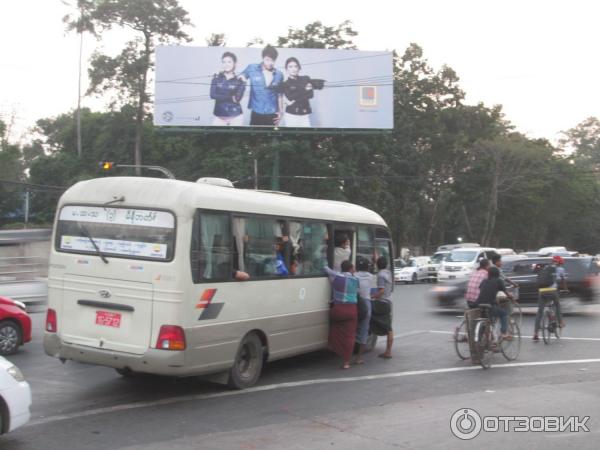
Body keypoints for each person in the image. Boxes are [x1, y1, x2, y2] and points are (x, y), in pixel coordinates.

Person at [325, 261, 359, 369]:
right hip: (351, 310)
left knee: (335, 329)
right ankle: (346, 362)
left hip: (337, 310)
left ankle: (334, 348)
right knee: (349, 336)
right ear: (351, 268)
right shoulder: (356, 280)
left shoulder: (335, 277)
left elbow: (326, 269)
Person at [239, 45, 284, 126]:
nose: (270, 63)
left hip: (272, 113)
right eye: (267, 60)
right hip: (256, 112)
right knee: (254, 137)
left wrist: (281, 112)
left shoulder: (279, 75)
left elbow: (280, 95)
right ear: (263, 58)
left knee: (271, 137)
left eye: (273, 60)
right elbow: (240, 77)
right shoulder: (252, 68)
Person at [533, 255, 567, 342]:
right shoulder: (560, 269)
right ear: (560, 262)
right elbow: (562, 281)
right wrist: (565, 289)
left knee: (540, 311)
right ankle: (560, 322)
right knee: (557, 304)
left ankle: (535, 333)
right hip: (552, 291)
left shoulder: (545, 268)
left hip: (541, 290)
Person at [474, 266, 513, 340]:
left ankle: (482, 338)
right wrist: (511, 297)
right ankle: (503, 333)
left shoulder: (484, 281)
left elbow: (484, 290)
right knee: (504, 314)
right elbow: (506, 293)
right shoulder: (499, 281)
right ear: (497, 274)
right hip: (490, 305)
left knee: (486, 319)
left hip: (479, 304)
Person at [209, 52, 246, 126]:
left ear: (234, 63)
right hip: (219, 115)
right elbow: (212, 95)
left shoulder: (239, 79)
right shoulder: (216, 77)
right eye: (224, 62)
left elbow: (237, 99)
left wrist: (244, 83)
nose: (226, 64)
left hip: (236, 115)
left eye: (229, 62)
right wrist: (230, 97)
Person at [278, 57, 315, 127]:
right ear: (286, 69)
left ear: (299, 68)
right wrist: (305, 90)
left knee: (306, 136)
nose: (293, 69)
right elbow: (290, 97)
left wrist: (295, 97)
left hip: (305, 114)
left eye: (296, 66)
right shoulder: (285, 84)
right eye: (290, 67)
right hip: (291, 115)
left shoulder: (306, 78)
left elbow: (311, 95)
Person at [372, 256, 394, 359]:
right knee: (389, 328)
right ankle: (388, 351)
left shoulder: (380, 275)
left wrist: (372, 296)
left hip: (382, 303)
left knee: (368, 317)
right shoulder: (389, 273)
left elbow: (381, 291)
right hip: (389, 301)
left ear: (377, 265)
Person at [354, 257, 373, 364]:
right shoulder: (371, 277)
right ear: (367, 267)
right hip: (366, 304)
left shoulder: (354, 276)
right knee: (364, 331)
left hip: (355, 303)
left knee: (352, 329)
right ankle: (359, 358)